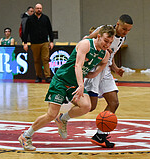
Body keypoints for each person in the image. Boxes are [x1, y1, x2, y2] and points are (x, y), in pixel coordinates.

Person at [18, 25, 116, 151]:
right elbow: (78, 66)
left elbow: (102, 65)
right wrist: (81, 85)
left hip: (74, 84)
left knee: (87, 106)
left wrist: (95, 73)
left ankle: (62, 119)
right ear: (98, 36)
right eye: (105, 41)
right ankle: (26, 136)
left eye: (110, 42)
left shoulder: (104, 55)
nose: (107, 44)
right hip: (61, 80)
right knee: (51, 114)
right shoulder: (85, 44)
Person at [83, 14, 133, 148]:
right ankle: (63, 117)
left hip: (106, 70)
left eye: (128, 30)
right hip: (95, 67)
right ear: (117, 24)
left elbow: (112, 55)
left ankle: (100, 135)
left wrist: (116, 69)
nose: (125, 32)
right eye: (124, 29)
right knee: (90, 107)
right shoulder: (103, 30)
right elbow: (86, 41)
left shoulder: (122, 38)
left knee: (114, 102)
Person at [23, 3, 54, 83]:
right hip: (34, 43)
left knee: (46, 59)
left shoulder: (45, 18)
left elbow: (50, 30)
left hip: (44, 42)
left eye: (40, 8)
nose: (39, 10)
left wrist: (51, 41)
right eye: (37, 8)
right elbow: (26, 32)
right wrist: (25, 43)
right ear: (35, 9)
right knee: (36, 60)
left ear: (42, 9)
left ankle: (47, 76)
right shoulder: (30, 19)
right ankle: (38, 76)